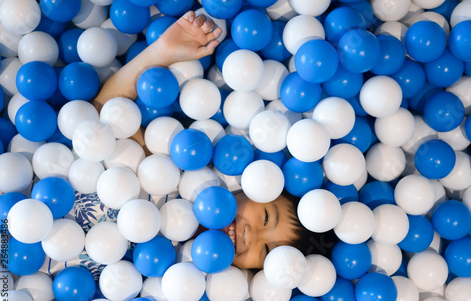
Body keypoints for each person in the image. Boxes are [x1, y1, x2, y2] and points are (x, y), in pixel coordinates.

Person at [88, 10, 335, 271]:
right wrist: (162, 52)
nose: (251, 236)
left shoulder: (175, 272)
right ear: (258, 185)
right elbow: (102, 119)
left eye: (266, 252)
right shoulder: (164, 181)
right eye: (265, 217)